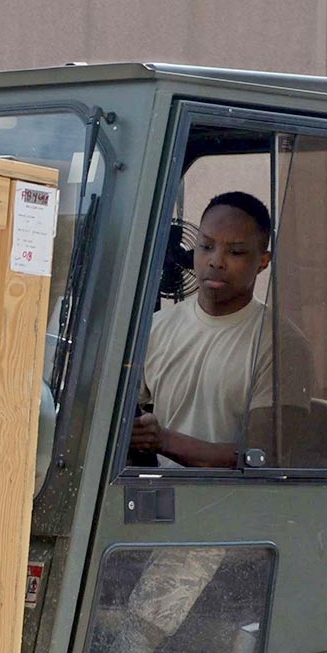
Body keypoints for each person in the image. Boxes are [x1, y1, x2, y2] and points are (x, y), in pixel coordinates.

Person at [130, 191, 279, 468]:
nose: (216, 261)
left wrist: (164, 440)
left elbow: (264, 456)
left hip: (238, 504)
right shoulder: (156, 328)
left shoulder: (278, 343)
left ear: (263, 262)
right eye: (206, 246)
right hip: (158, 500)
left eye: (235, 252)